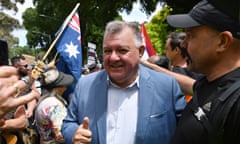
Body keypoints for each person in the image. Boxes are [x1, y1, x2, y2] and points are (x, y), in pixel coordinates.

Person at [61, 20, 186, 144]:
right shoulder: (85, 86)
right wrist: (74, 133)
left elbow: (187, 133)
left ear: (140, 52)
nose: (113, 57)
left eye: (122, 50)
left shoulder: (167, 87)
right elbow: (68, 123)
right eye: (107, 51)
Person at [166, 0, 240, 143]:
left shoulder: (236, 102)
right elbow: (189, 84)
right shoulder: (205, 83)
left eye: (191, 35)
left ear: (222, 42)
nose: (183, 43)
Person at [35, 69, 74, 144]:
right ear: (58, 87)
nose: (66, 87)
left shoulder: (44, 100)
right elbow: (60, 134)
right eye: (64, 85)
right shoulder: (53, 105)